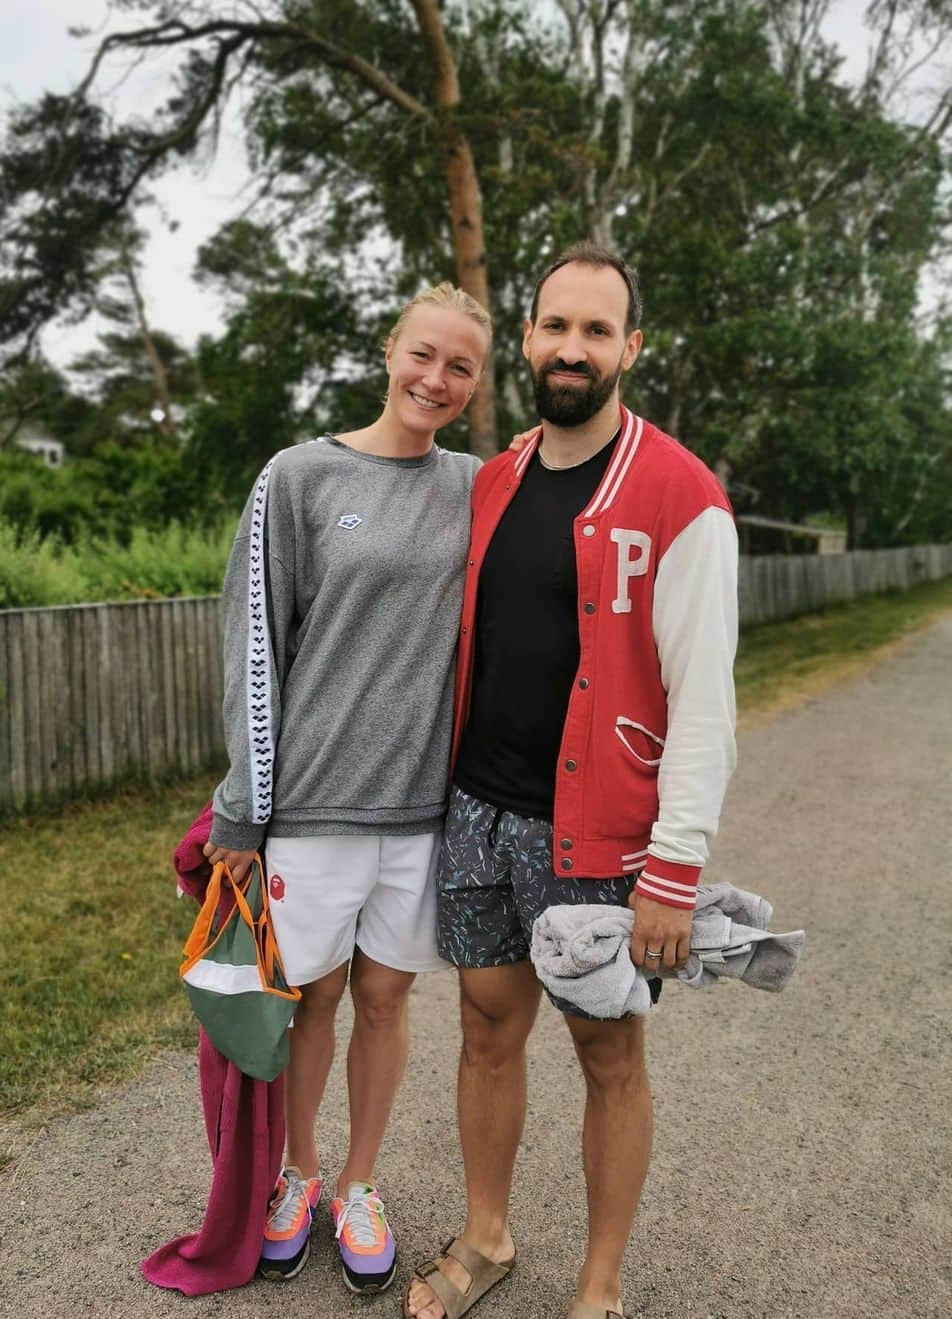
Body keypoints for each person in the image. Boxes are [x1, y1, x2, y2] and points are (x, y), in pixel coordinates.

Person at [405, 243, 738, 1319]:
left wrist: (674, 871)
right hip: (479, 814)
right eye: (556, 326)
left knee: (609, 1056)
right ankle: (488, 1235)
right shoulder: (496, 478)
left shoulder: (684, 496)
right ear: (530, 337)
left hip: (596, 838)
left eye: (598, 330)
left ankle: (599, 1286)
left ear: (630, 348)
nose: (573, 347)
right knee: (486, 1032)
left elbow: (707, 700)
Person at [202, 282, 491, 1296]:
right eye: (424, 354)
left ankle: (360, 1184)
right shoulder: (299, 478)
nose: (436, 378)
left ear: (476, 381)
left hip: (423, 809)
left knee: (385, 995)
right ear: (389, 349)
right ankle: (300, 1174)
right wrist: (243, 805)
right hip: (315, 805)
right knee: (313, 998)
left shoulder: (480, 484)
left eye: (461, 365)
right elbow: (254, 647)